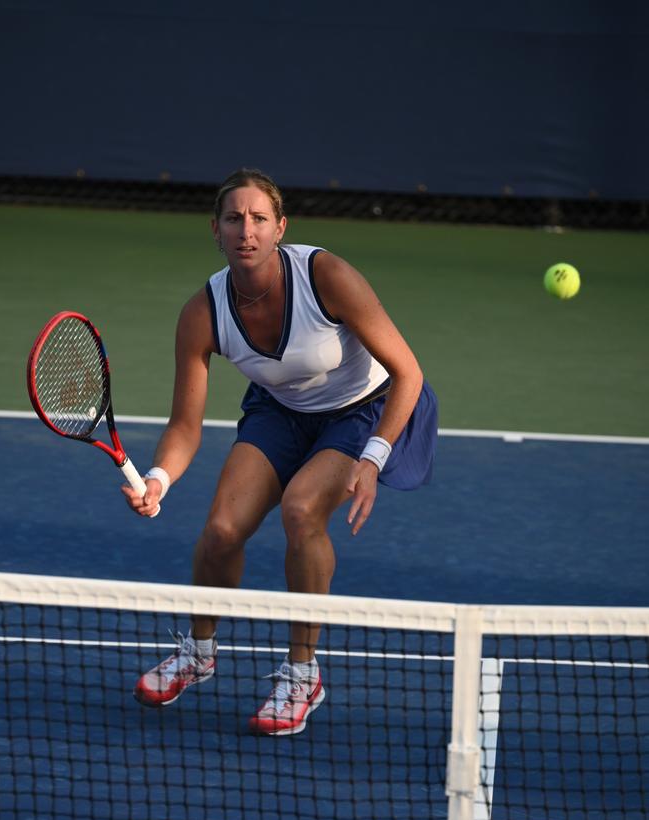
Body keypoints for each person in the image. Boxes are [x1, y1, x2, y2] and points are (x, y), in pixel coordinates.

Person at [123, 168, 438, 737]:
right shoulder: (203, 312)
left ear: (280, 228)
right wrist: (159, 479)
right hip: (279, 413)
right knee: (221, 529)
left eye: (259, 219)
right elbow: (184, 425)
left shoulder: (326, 276)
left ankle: (302, 672)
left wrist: (373, 457)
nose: (247, 230)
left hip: (361, 410)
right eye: (233, 219)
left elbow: (409, 371)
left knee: (301, 510)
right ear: (215, 232)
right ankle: (198, 652)